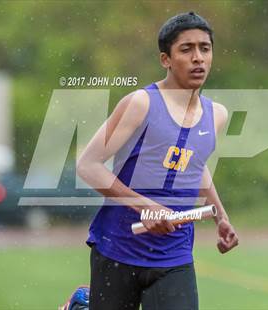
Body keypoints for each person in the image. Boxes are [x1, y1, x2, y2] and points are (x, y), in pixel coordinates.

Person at [77, 11, 239, 310]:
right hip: (118, 249)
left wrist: (221, 217)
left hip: (174, 256)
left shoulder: (216, 115)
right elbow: (88, 166)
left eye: (205, 48)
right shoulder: (141, 104)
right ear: (166, 59)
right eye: (186, 49)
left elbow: (195, 166)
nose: (198, 58)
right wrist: (145, 206)